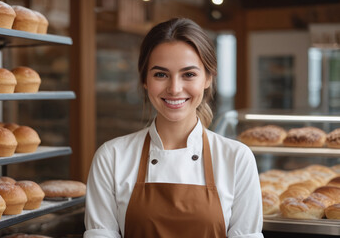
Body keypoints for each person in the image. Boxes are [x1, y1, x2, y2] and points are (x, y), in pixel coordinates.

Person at [84, 18, 263, 238]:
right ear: (144, 80)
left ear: (208, 78)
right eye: (161, 74)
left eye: (188, 74)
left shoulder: (236, 158)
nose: (175, 88)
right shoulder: (111, 157)